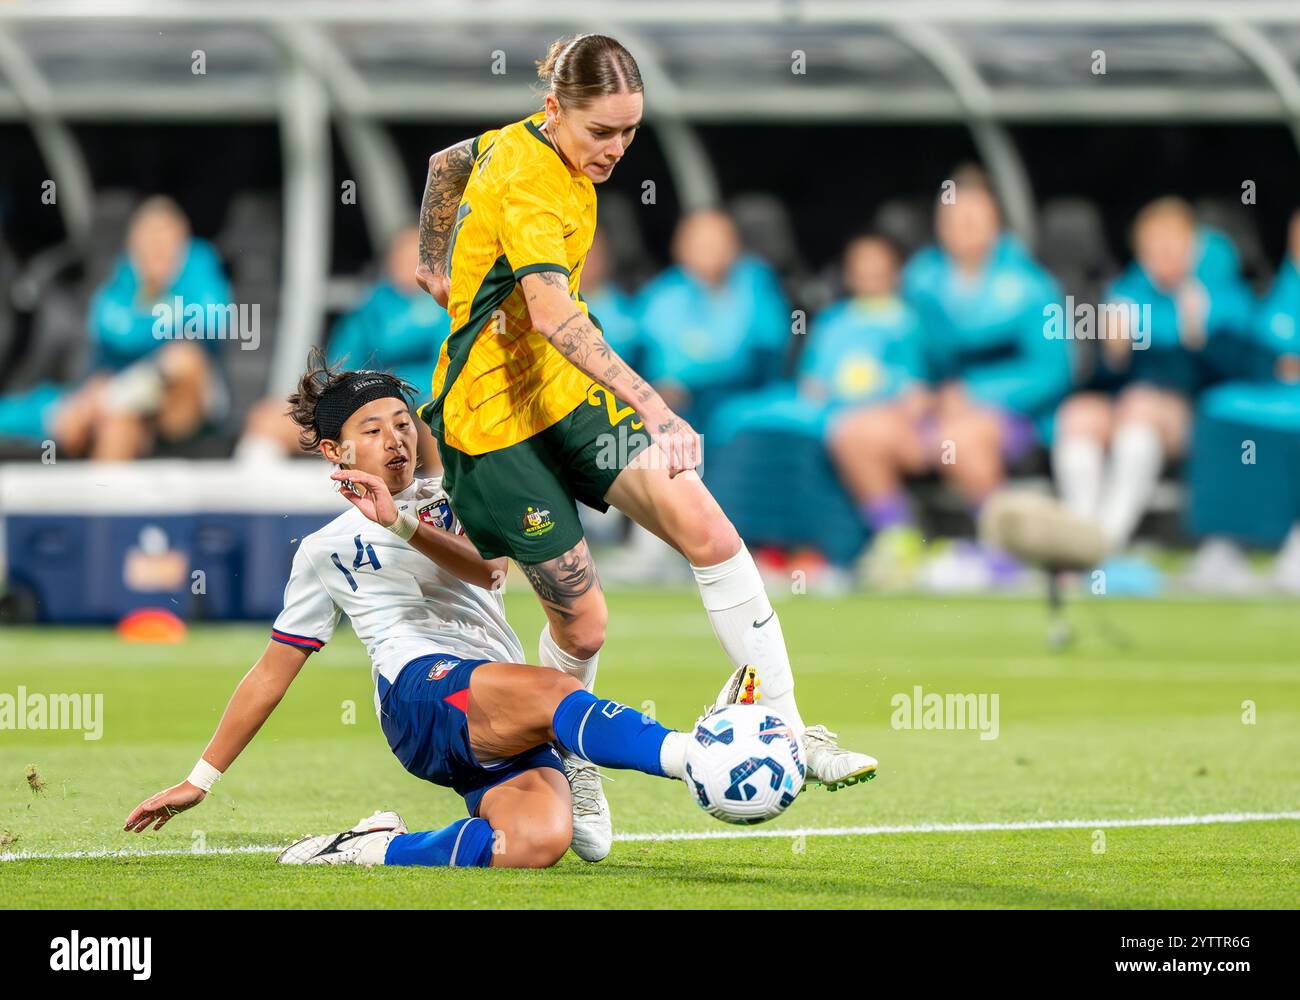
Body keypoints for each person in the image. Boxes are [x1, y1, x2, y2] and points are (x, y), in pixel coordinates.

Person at [413, 32, 876, 862]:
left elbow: (447, 161)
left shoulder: (529, 144)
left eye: (630, 132)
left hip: (563, 399)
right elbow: (554, 317)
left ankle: (793, 729)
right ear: (555, 110)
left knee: (708, 528)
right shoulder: (525, 177)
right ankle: (567, 755)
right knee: (584, 628)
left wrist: (431, 259)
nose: (617, 149)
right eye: (602, 132)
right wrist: (658, 407)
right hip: (490, 422)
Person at [122, 357, 700, 870]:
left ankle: (368, 847)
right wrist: (201, 779)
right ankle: (695, 757)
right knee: (553, 692)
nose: (396, 439)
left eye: (403, 423)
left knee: (537, 841)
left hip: (495, 706)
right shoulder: (325, 549)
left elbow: (491, 569)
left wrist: (401, 522)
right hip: (419, 695)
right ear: (335, 451)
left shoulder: (457, 494)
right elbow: (272, 672)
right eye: (372, 430)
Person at [837, 169, 1069, 590]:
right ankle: (900, 541)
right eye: (952, 218)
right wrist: (907, 388)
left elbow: (1053, 370)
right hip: (929, 416)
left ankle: (1005, 552)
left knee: (961, 438)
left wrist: (975, 394)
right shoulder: (919, 281)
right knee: (855, 432)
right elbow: (901, 348)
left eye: (974, 218)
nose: (962, 228)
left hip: (1009, 420)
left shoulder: (1033, 286)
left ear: (995, 223)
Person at [1052, 197, 1253, 592]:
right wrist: (1112, 353)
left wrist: (1199, 337)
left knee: (1138, 423)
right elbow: (1100, 379)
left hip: (1194, 418)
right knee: (1078, 416)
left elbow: (1235, 373)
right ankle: (1076, 543)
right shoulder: (1123, 296)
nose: (1164, 255)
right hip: (1129, 406)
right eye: (1154, 246)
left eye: (1173, 244)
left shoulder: (1222, 298)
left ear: (1193, 247)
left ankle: (1103, 547)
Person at [0, 197, 232, 459]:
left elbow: (207, 324)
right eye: (150, 241)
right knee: (109, 423)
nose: (159, 250)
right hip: (123, 412)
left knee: (185, 359)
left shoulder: (201, 273)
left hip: (185, 412)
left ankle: (112, 401)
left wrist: (115, 390)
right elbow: (111, 335)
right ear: (134, 247)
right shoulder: (116, 289)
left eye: (168, 241)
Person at [236, 226, 447, 473]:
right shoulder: (370, 306)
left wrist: (391, 391)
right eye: (402, 257)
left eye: (417, 257)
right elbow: (338, 369)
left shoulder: (449, 303)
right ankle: (267, 502)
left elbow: (448, 371)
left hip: (420, 409)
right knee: (268, 419)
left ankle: (440, 501)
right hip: (362, 407)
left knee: (437, 418)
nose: (408, 266)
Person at [635, 208, 788, 434]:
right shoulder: (660, 295)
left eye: (718, 240)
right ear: (679, 247)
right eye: (699, 241)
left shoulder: (755, 283)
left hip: (739, 398)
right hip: (672, 404)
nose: (709, 249)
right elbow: (647, 361)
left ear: (735, 246)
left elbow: (767, 353)